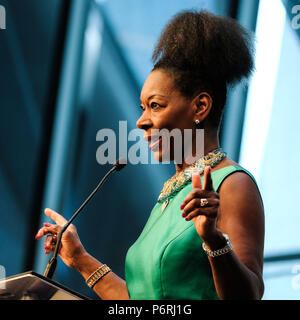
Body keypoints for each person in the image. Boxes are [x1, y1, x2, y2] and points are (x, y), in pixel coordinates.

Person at [35, 10, 265, 300]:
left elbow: (250, 296)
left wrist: (213, 239)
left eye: (155, 106)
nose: (141, 121)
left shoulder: (233, 184)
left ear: (200, 107)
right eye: (142, 107)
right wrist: (80, 258)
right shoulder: (169, 195)